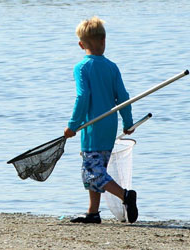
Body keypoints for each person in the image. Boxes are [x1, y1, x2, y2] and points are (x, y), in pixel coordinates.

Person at [64, 17, 138, 224]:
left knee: (92, 171)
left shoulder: (81, 68)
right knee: (97, 169)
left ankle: (125, 196)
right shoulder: (112, 67)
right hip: (109, 126)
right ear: (104, 40)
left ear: (81, 44)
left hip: (92, 128)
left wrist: (73, 125)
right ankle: (93, 213)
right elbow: (123, 97)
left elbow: (82, 96)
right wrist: (127, 122)